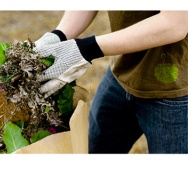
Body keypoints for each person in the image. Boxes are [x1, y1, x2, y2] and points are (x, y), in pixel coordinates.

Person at [33, 11, 188, 154]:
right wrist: (58, 35)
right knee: (94, 151)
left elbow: (175, 23)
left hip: (175, 91)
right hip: (122, 72)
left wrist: (87, 48)